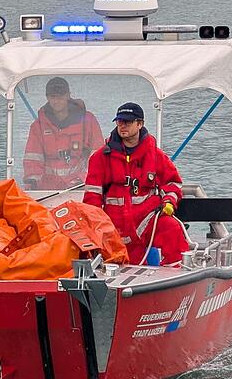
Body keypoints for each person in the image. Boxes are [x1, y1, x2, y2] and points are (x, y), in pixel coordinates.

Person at [83, 102, 189, 265]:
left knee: (172, 228)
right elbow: (92, 197)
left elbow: (173, 184)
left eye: (128, 122)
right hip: (115, 227)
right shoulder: (100, 158)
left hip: (147, 221)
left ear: (140, 124)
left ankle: (178, 273)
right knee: (122, 266)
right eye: (119, 122)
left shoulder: (156, 156)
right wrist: (97, 226)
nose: (122, 126)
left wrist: (169, 202)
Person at [23, 77, 104, 190]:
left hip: (81, 187)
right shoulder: (38, 126)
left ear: (68, 95)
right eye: (53, 97)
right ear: (47, 97)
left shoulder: (88, 120)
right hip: (48, 191)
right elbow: (33, 159)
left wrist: (84, 180)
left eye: (60, 96)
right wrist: (33, 183)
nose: (57, 101)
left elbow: (98, 154)